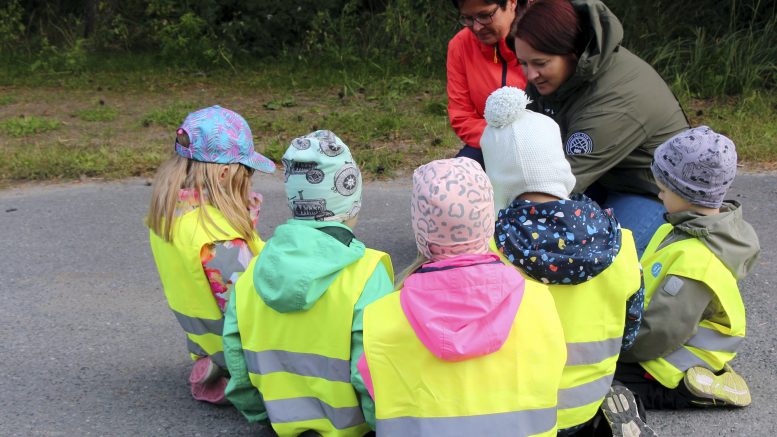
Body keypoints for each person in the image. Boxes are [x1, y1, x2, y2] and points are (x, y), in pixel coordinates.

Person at [481, 86, 653, 436]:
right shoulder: (620, 239)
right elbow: (629, 330)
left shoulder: (489, 251)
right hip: (588, 397)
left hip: (519, 411)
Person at [357, 157, 567, 436]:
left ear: (421, 229)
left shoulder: (381, 317)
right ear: (487, 220)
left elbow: (374, 397)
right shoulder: (540, 303)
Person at [222, 130, 395, 436]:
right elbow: (370, 370)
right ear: (351, 197)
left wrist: (259, 412)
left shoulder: (253, 272)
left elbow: (236, 357)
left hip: (281, 423)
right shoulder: (366, 273)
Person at [510, 0, 690, 256]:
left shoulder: (613, 101)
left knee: (599, 258)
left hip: (656, 193)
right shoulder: (562, 76)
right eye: (524, 63)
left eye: (540, 63)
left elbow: (557, 185)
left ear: (574, 52)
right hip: (606, 176)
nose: (530, 75)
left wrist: (489, 218)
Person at [616, 126, 761, 410]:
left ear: (688, 194)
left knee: (606, 380)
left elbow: (661, 332)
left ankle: (700, 386)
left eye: (663, 189)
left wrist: (617, 349)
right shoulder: (684, 228)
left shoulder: (696, 260)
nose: (659, 196)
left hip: (673, 359)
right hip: (669, 335)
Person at [147, 105, 277, 404]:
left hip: (202, 337)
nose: (250, 178)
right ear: (223, 174)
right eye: (248, 171)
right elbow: (248, 309)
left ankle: (212, 364)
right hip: (235, 345)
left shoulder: (173, 216)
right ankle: (239, 377)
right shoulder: (219, 242)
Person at [447, 0, 529, 169]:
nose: (477, 27)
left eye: (485, 16)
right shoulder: (460, 45)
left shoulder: (543, 34)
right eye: (468, 18)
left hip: (542, 144)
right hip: (488, 143)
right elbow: (462, 116)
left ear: (512, 2)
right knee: (450, 185)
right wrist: (503, 141)